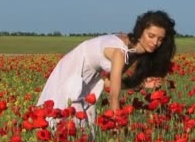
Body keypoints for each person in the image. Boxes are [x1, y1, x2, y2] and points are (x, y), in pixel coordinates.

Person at [36, 10, 177, 130]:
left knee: (83, 127)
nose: (155, 42)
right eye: (150, 36)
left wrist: (141, 84)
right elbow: (113, 96)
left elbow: (109, 83)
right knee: (63, 119)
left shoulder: (132, 50)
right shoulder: (120, 52)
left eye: (160, 39)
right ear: (140, 31)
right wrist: (118, 125)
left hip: (89, 77)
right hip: (72, 70)